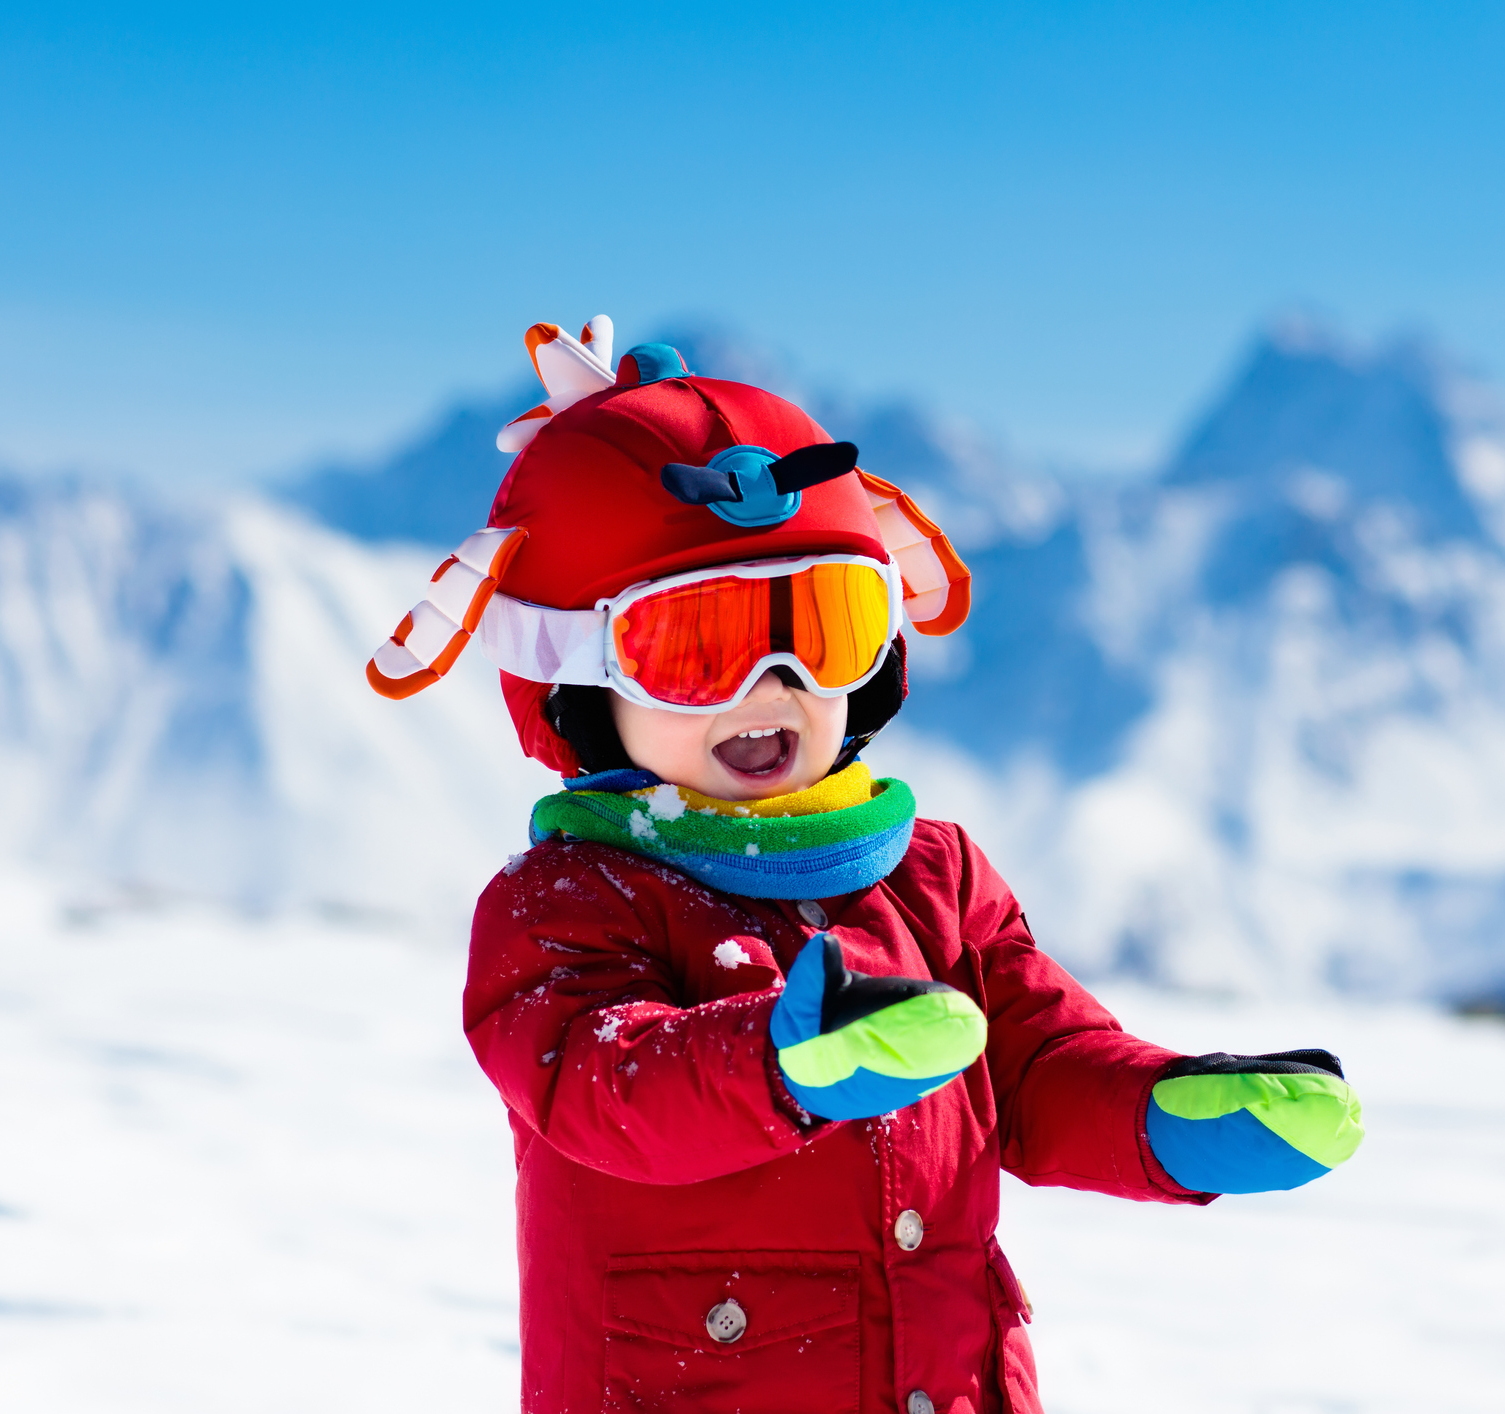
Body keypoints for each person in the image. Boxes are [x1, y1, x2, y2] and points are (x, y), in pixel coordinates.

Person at [367, 321, 1364, 1414]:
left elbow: (1036, 1067)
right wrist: (777, 1063)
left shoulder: (930, 878)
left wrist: (1162, 1118)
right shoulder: (564, 905)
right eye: (698, 646)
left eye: (825, 627)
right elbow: (606, 1086)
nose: (775, 684)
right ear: (578, 680)